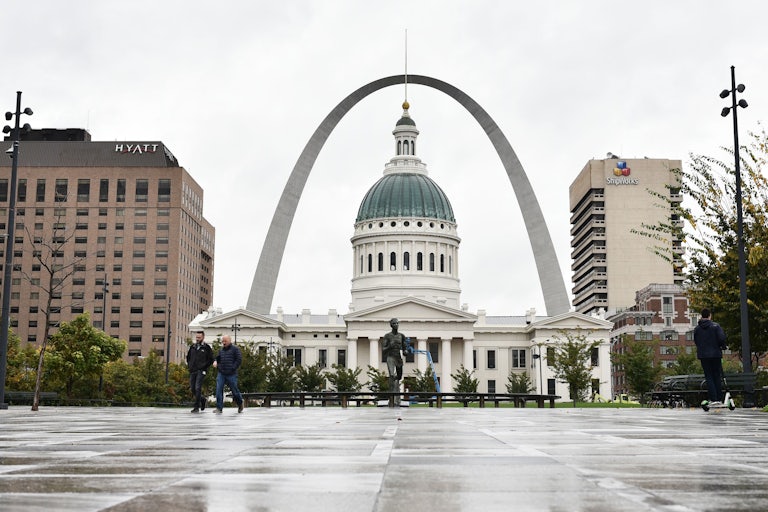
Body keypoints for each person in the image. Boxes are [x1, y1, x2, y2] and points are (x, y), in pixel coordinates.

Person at [694, 308, 728, 404]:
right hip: (716, 354)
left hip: (703, 355)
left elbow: (696, 341)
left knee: (708, 376)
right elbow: (721, 338)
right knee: (717, 375)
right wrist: (723, 346)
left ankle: (713, 398)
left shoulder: (697, 329)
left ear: (701, 316)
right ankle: (719, 398)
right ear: (709, 316)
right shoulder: (716, 326)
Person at [212, 335, 244, 413]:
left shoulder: (235, 349)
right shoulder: (221, 350)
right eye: (223, 341)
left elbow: (239, 359)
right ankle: (219, 408)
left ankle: (240, 403)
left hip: (231, 373)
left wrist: (233, 368)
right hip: (221, 373)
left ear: (230, 341)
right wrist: (215, 361)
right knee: (218, 390)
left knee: (234, 391)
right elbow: (217, 358)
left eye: (225, 341)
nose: (224, 343)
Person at [382, 318, 408, 405]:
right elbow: (383, 350)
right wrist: (390, 346)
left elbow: (405, 348)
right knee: (392, 375)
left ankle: (397, 396)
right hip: (390, 357)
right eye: (394, 323)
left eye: (397, 323)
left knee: (399, 377)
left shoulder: (402, 336)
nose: (396, 325)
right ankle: (392, 398)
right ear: (391, 325)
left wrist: (405, 352)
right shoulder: (387, 336)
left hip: (398, 358)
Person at [186, 330, 213, 413]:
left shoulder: (206, 347)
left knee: (198, 388)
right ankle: (202, 399)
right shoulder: (193, 347)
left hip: (201, 371)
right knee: (193, 388)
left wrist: (204, 367)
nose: (197, 339)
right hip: (193, 370)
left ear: (203, 337)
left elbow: (211, 359)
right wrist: (190, 366)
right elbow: (188, 357)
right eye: (196, 337)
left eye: (199, 337)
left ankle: (196, 407)